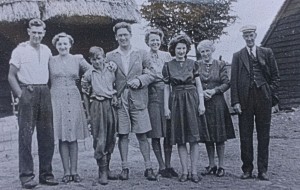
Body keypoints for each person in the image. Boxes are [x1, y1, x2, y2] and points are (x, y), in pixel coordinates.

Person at [7, 18, 59, 189]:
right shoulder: (19, 51)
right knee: (26, 136)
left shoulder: (46, 50)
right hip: (27, 92)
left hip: (44, 91)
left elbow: (51, 73)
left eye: (40, 33)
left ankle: (46, 174)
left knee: (47, 136)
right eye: (34, 32)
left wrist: (50, 92)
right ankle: (27, 176)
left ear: (44, 33)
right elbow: (11, 75)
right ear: (28, 32)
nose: (36, 36)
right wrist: (21, 95)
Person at [106, 22, 156, 181]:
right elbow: (107, 80)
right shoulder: (110, 56)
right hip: (120, 100)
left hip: (138, 98)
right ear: (116, 37)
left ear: (130, 35)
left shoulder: (141, 53)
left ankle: (148, 168)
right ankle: (125, 168)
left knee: (142, 135)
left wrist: (140, 81)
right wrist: (113, 92)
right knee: (123, 135)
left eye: (125, 34)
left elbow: (152, 74)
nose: (123, 38)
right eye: (120, 35)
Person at [231, 25, 280, 181]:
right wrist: (235, 102)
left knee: (263, 136)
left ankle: (262, 170)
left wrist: (268, 91)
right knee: (245, 136)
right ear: (243, 37)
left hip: (263, 99)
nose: (249, 38)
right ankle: (247, 169)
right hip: (245, 100)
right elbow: (234, 81)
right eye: (246, 36)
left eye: (251, 35)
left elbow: (275, 77)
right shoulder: (238, 56)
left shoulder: (266, 52)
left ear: (255, 35)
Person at [162, 34, 210, 183]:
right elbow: (166, 88)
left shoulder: (193, 64)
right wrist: (166, 107)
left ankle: (194, 172)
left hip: (191, 100)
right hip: (176, 101)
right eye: (178, 48)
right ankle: (184, 171)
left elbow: (199, 85)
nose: (181, 51)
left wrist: (201, 103)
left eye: (183, 48)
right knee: (181, 139)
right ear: (173, 49)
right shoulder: (168, 66)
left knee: (194, 139)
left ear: (187, 49)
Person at [49, 32, 91, 183]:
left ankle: (75, 171)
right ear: (56, 46)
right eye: (59, 44)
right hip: (57, 99)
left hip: (73, 98)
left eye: (65, 43)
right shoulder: (51, 60)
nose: (62, 46)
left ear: (70, 45)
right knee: (62, 137)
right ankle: (66, 172)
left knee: (73, 136)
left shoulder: (77, 58)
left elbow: (92, 70)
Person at [197, 40, 235, 177]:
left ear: (212, 51)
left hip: (217, 103)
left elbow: (227, 83)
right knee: (207, 135)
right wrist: (201, 94)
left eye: (207, 51)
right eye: (202, 51)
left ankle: (221, 165)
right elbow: (194, 82)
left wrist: (214, 91)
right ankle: (211, 164)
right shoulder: (197, 65)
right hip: (203, 103)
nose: (205, 54)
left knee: (219, 135)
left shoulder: (220, 64)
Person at [82, 46, 119, 185]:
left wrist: (114, 95)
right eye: (94, 59)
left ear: (104, 58)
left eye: (99, 58)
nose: (97, 61)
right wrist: (88, 113)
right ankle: (102, 171)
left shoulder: (111, 69)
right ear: (90, 60)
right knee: (100, 138)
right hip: (97, 105)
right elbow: (85, 94)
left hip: (110, 105)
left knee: (111, 136)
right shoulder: (88, 74)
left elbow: (116, 83)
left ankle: (108, 168)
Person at [144, 28, 178, 178]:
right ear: (148, 42)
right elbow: (144, 75)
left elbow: (172, 74)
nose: (155, 42)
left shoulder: (167, 56)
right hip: (152, 97)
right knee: (156, 133)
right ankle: (161, 166)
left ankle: (169, 164)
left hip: (167, 96)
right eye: (152, 40)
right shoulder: (143, 56)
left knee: (168, 132)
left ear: (161, 41)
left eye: (157, 40)